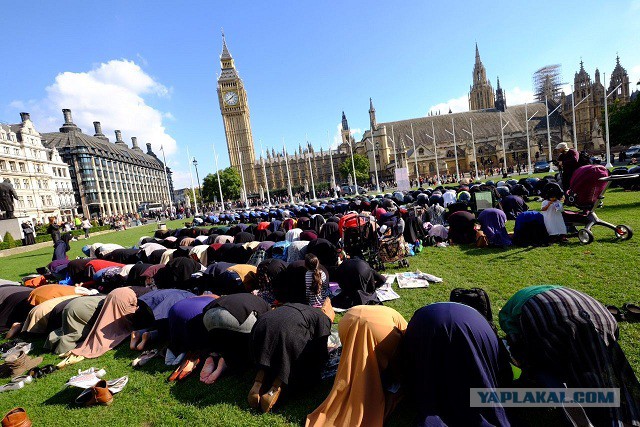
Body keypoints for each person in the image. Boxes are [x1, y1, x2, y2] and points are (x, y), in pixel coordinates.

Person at [500, 286, 640, 427]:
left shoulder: (508, 314)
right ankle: (629, 416)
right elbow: (610, 343)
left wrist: (523, 360)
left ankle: (587, 420)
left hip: (549, 316)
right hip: (603, 317)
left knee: (549, 369)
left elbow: (517, 341)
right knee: (608, 367)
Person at [402, 303, 513, 426]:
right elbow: (501, 368)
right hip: (474, 324)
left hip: (427, 323)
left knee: (429, 381)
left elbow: (411, 364)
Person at [306, 305, 407, 427]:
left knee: (357, 354)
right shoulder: (399, 322)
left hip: (349, 319)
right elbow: (403, 348)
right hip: (382, 329)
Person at [249, 303, 333, 413]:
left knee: (269, 347)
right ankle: (275, 387)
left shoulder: (297, 306)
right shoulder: (324, 319)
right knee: (287, 354)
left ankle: (259, 380)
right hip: (288, 330)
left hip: (262, 324)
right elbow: (320, 349)